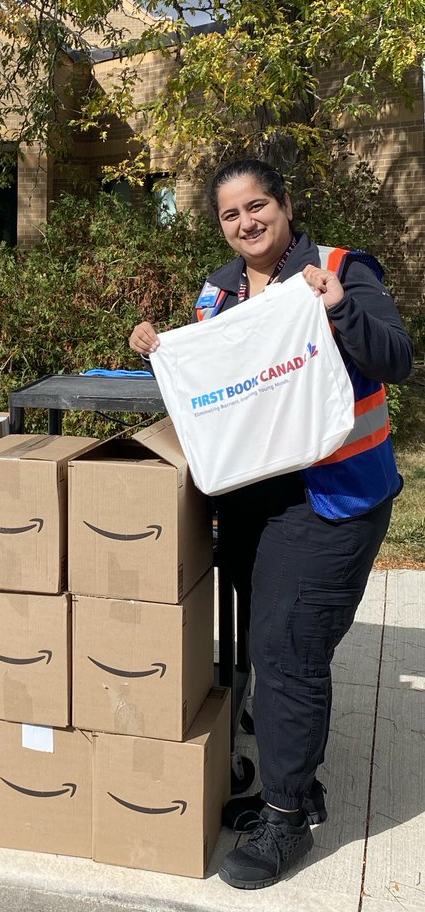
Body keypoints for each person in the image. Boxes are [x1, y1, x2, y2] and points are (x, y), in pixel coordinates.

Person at [129, 158, 413, 891]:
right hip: (255, 504)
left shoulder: (341, 269)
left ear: (285, 206)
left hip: (333, 497)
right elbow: (218, 386)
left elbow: (397, 359)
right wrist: (160, 354)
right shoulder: (218, 290)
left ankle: (288, 814)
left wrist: (342, 306)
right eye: (231, 215)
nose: (246, 222)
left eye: (258, 206)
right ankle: (292, 774)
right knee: (269, 636)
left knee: (285, 647)